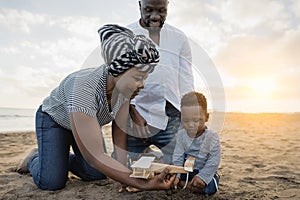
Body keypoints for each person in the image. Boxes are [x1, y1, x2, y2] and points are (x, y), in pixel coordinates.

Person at [16, 24, 176, 191]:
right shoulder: (83, 88)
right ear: (117, 70)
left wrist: (124, 174)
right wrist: (142, 184)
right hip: (55, 120)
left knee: (96, 173)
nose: (142, 85)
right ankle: (35, 157)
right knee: (51, 182)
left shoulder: (123, 90)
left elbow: (119, 128)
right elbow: (95, 156)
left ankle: (59, 160)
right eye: (138, 77)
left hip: (83, 125)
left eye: (145, 78)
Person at [112, 0, 194, 166]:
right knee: (121, 165)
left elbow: (186, 80)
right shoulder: (125, 36)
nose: (155, 16)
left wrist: (189, 113)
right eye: (148, 10)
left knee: (180, 166)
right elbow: (117, 82)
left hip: (169, 117)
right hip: (134, 116)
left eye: (161, 10)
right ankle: (143, 153)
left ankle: (153, 155)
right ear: (139, 5)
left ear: (168, 6)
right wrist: (132, 111)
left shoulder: (179, 38)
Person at [172, 92, 220, 196]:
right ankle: (185, 183)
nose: (190, 125)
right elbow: (178, 157)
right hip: (186, 172)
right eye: (185, 120)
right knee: (171, 176)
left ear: (206, 117)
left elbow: (213, 161)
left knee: (212, 184)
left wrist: (203, 177)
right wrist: (178, 174)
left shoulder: (212, 137)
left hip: (204, 172)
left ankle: (185, 185)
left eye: (196, 120)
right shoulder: (181, 135)